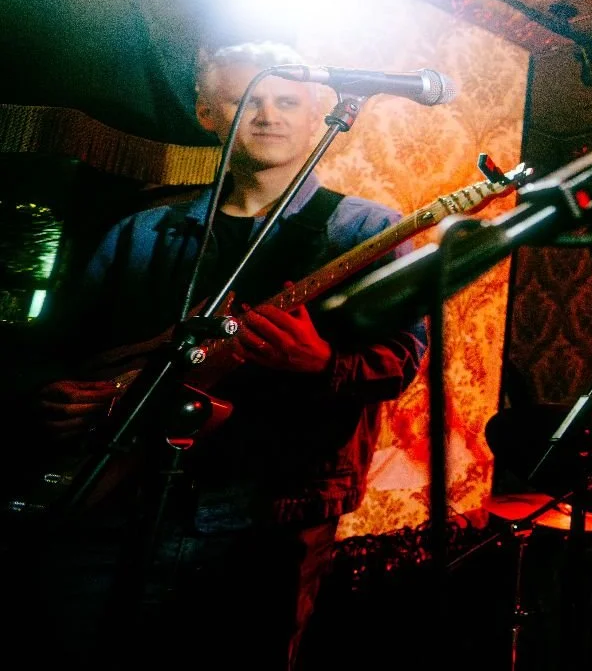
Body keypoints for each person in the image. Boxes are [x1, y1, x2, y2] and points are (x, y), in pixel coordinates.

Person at [14, 41, 428, 671]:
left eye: (287, 100)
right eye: (245, 98)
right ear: (208, 113)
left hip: (269, 519)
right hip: (114, 502)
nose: (267, 114)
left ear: (320, 111)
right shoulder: (143, 229)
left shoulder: (365, 231)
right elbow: (60, 346)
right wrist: (51, 390)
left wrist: (321, 363)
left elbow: (400, 361)